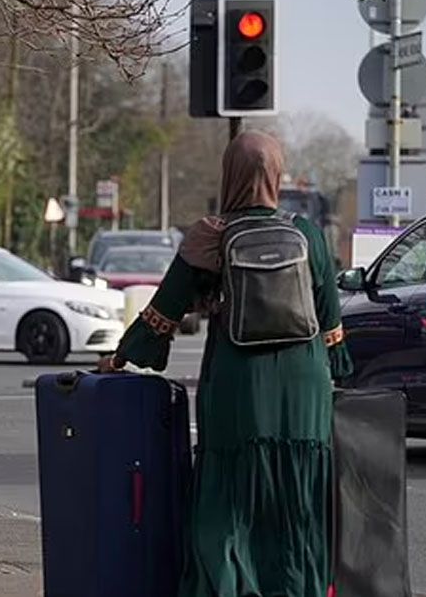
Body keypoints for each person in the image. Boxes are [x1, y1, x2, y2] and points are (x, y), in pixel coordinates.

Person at [101, 131, 352, 597]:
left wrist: (122, 356)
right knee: (296, 505)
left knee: (228, 501)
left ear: (229, 174)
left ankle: (229, 586)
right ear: (276, 175)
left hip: (239, 386)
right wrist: (334, 374)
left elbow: (163, 312)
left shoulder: (210, 237)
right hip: (304, 388)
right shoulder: (308, 235)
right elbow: (332, 327)